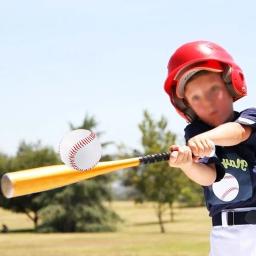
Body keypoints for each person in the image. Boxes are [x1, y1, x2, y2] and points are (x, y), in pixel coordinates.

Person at [163, 40, 256, 256]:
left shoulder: (249, 116)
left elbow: (238, 133)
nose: (208, 102)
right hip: (225, 236)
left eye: (214, 90)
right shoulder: (195, 132)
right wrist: (187, 165)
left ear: (231, 86)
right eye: (196, 97)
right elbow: (209, 177)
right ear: (187, 105)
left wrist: (206, 139)